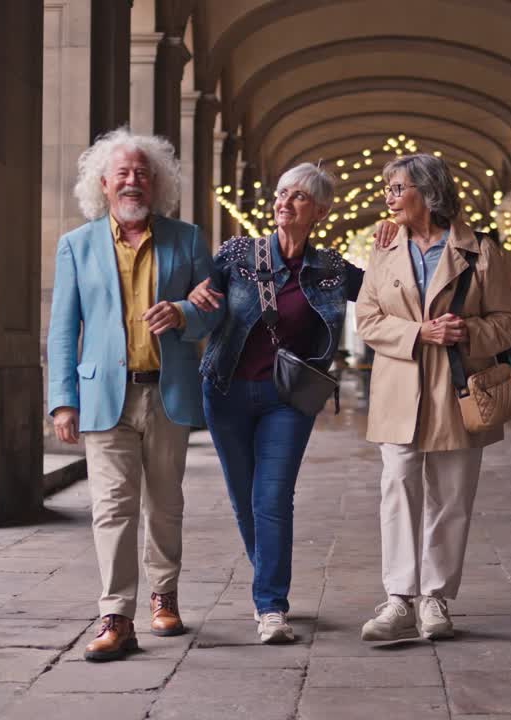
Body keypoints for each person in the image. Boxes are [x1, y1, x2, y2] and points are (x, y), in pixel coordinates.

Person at [47, 127, 219, 661]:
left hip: (166, 393)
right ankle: (116, 614)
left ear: (157, 183)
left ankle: (164, 595)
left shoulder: (187, 239)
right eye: (122, 173)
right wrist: (62, 398)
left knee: (165, 504)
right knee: (113, 508)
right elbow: (61, 328)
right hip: (105, 398)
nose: (132, 181)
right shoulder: (76, 245)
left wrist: (185, 312)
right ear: (103, 184)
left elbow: (216, 312)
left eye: (142, 173)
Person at [186, 163, 363, 644]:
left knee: (272, 498)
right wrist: (197, 293)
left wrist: (396, 239)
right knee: (245, 501)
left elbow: (386, 290)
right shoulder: (239, 252)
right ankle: (268, 575)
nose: (285, 202)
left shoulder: (331, 269)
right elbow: (198, 291)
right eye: (282, 192)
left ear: (320, 212)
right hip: (226, 391)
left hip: (289, 398)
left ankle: (270, 606)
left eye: (299, 196)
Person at [355, 153, 511, 641]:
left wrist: (466, 330)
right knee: (398, 488)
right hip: (399, 388)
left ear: (428, 193)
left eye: (397, 187)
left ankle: (435, 599)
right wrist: (418, 333)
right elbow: (367, 320)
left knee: (450, 498)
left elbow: (509, 323)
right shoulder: (383, 249)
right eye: (387, 188)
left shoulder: (482, 250)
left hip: (458, 390)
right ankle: (398, 599)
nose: (388, 197)